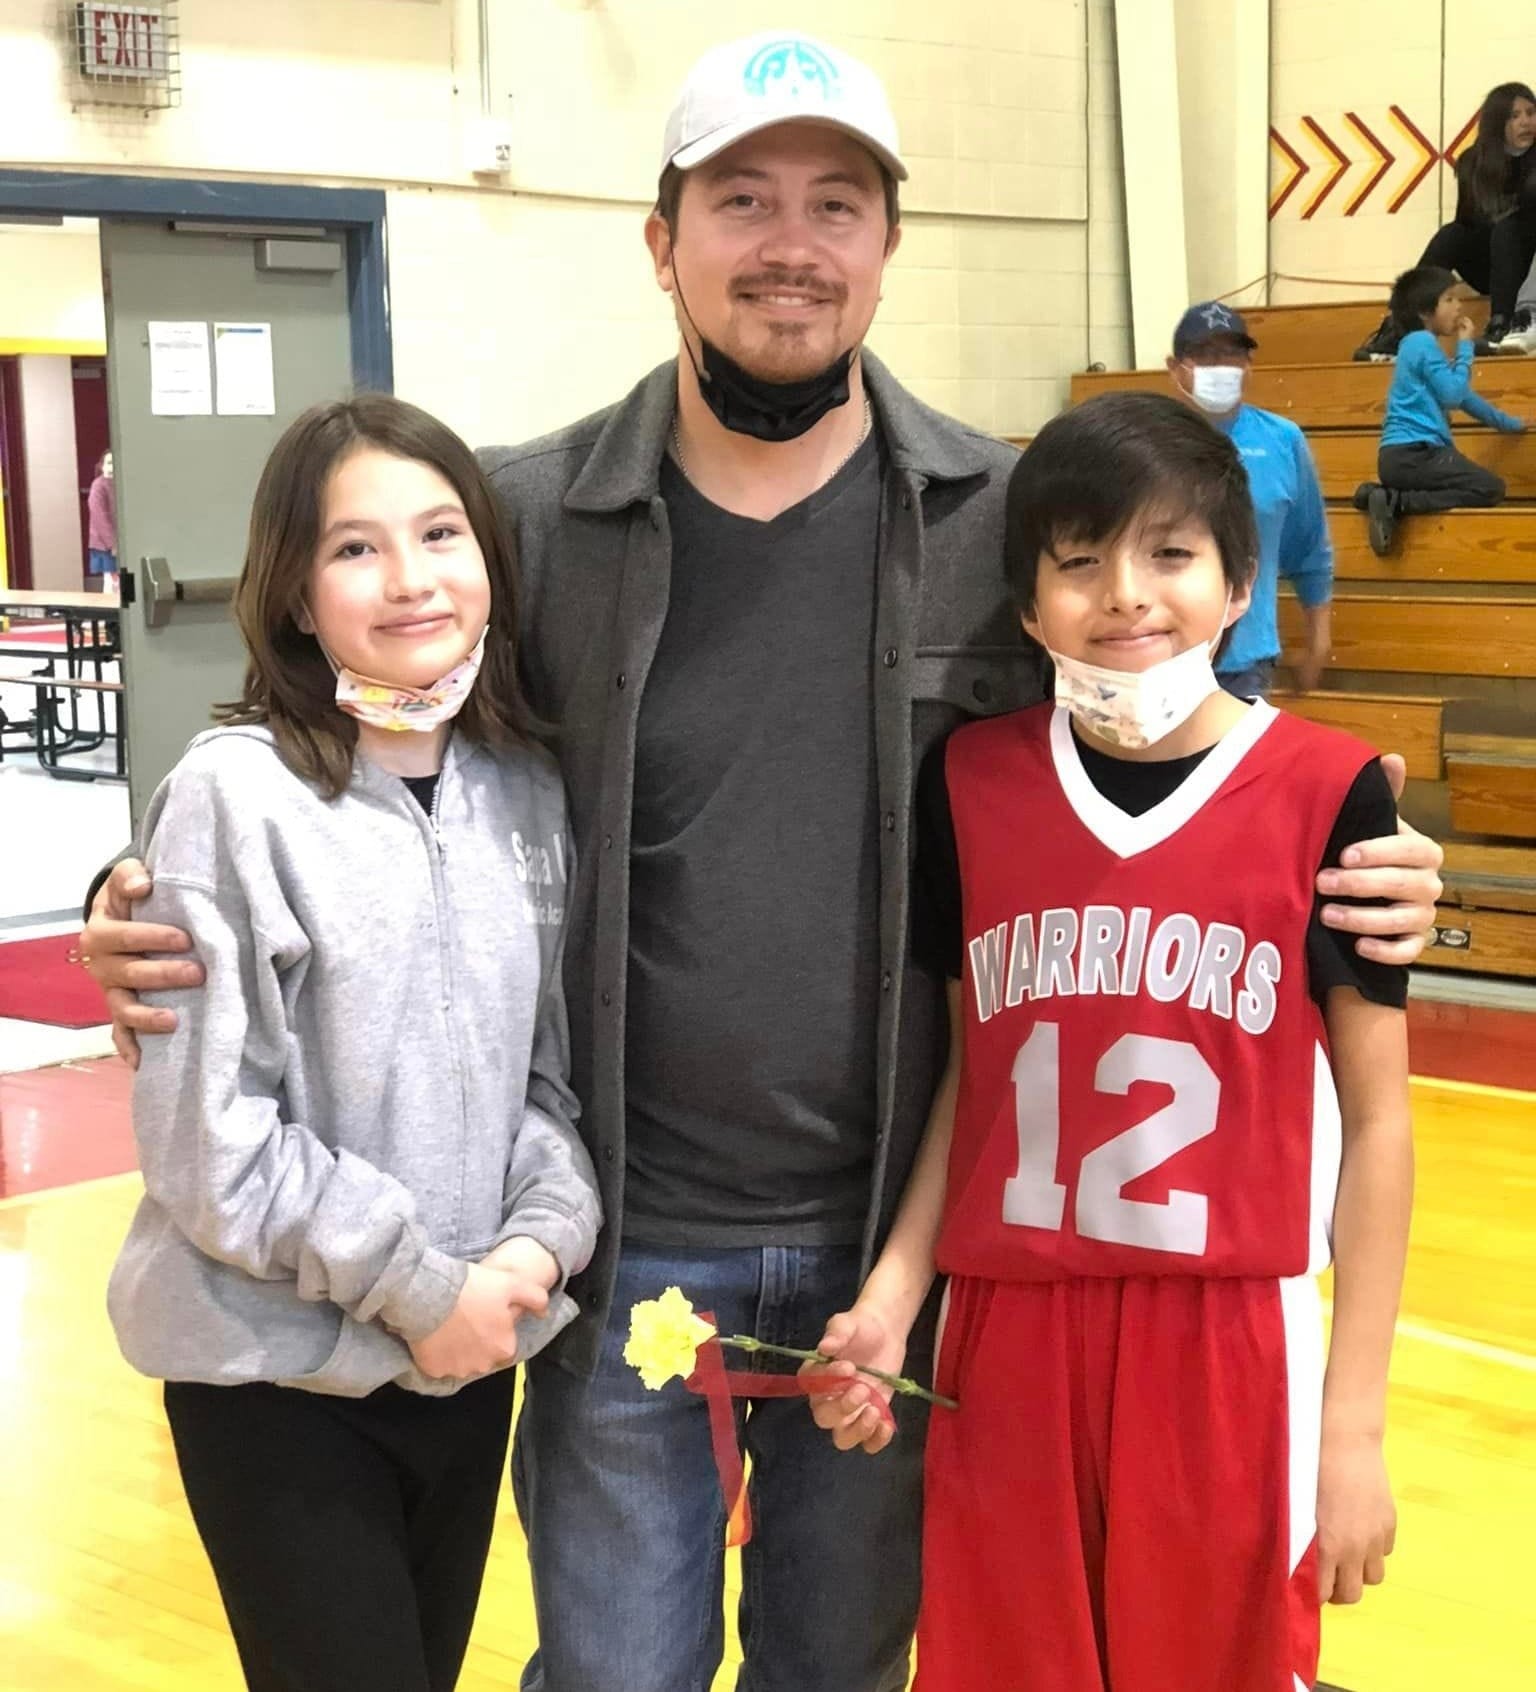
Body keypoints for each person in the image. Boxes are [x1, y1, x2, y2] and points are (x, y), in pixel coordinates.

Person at [80, 34, 1446, 1692]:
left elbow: (1151, 730)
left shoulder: (994, 520)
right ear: (662, 241)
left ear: (884, 244)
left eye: (835, 201)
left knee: (837, 1671)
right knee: (613, 1673)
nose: (790, 240)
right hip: (615, 1246)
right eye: (741, 198)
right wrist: (135, 890)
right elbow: (343, 708)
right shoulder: (525, 518)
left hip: (898, 1252)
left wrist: (1353, 837)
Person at [808, 391, 1413, 1692]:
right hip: (1008, 1338)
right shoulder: (970, 781)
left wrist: (1353, 1430)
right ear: (1029, 605)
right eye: (1080, 562)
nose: (1126, 595)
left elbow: (1381, 1122)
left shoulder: (1334, 791)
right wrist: (897, 1295)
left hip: (1226, 1349)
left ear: (1239, 581)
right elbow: (978, 1077)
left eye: (1170, 554)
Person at [106, 393, 601, 1692]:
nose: (409, 580)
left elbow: (543, 1084)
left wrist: (533, 1249)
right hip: (276, 1380)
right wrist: (419, 1290)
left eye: (440, 534)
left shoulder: (529, 793)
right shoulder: (234, 796)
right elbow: (209, 1146)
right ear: (296, 593)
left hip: (471, 1358)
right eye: (354, 548)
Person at [1165, 300, 1333, 696]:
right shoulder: (1146, 440)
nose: (1220, 365)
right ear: (1176, 368)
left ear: (1249, 366)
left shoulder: (1283, 440)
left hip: (1246, 663)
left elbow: (1310, 549)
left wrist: (1318, 640)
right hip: (1159, 657)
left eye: (1232, 354)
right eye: (1205, 354)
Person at [1353, 265, 1526, 556]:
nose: (1459, 306)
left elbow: (1465, 398)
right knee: (1489, 488)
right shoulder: (1422, 343)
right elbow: (1454, 394)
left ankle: (1380, 496)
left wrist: (1508, 423)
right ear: (1424, 313)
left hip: (1398, 458)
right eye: (1449, 299)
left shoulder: (1416, 348)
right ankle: (1397, 502)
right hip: (1418, 454)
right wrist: (1466, 348)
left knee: (1483, 485)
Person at [1355, 82, 1536, 360]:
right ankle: (1398, 327)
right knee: (1451, 234)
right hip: (1493, 264)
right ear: (1497, 122)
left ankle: (1501, 324)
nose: (1525, 122)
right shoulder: (1474, 163)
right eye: (1514, 116)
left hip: (1528, 266)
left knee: (1508, 228)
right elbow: (1469, 222)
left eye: (1530, 113)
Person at [87, 449, 117, 592]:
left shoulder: (120, 485)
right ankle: (112, 612)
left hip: (120, 544)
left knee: (123, 582)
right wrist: (112, 544)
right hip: (106, 546)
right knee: (112, 582)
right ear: (102, 466)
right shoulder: (99, 486)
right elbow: (101, 518)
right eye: (109, 463)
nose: (112, 467)